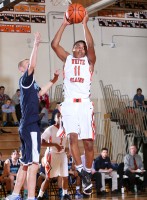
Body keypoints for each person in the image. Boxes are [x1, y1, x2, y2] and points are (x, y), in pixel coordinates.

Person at [6, 32, 59, 200]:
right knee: (35, 164)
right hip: (30, 126)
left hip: (26, 126)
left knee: (25, 163)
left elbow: (41, 92)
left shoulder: (31, 85)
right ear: (22, 69)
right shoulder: (25, 79)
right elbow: (33, 65)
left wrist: (54, 80)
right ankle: (30, 197)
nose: (30, 66)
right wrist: (35, 46)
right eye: (27, 64)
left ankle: (15, 195)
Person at [51, 11, 96, 195]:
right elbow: (54, 45)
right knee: (72, 138)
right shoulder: (68, 59)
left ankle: (86, 170)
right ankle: (81, 171)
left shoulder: (89, 62)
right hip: (69, 103)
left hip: (85, 104)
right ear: (73, 49)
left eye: (82, 47)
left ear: (85, 52)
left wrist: (84, 24)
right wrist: (63, 24)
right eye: (77, 46)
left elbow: (91, 44)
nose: (79, 48)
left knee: (89, 144)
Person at [37, 111, 71, 200]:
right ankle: (40, 195)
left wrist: (69, 150)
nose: (60, 118)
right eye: (58, 116)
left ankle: (65, 195)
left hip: (62, 154)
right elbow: (41, 143)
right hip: (52, 154)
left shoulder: (66, 129)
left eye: (61, 116)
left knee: (65, 176)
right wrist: (55, 145)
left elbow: (69, 141)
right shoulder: (50, 129)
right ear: (55, 118)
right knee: (48, 178)